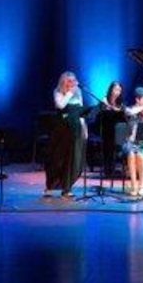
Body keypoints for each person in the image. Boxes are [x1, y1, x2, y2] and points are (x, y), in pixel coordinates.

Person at [45, 71, 92, 199]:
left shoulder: (78, 92)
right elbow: (60, 105)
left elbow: (80, 112)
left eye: (73, 80)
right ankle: (50, 186)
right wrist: (70, 92)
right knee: (58, 159)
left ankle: (67, 188)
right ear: (63, 81)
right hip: (62, 130)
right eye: (69, 81)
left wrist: (84, 128)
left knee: (73, 160)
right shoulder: (58, 91)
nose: (71, 83)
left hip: (76, 129)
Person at [97, 81, 124, 177]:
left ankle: (115, 169)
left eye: (119, 90)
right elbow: (99, 117)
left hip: (118, 131)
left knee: (117, 148)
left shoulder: (120, 103)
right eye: (116, 89)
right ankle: (107, 171)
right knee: (107, 149)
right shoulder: (104, 101)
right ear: (111, 90)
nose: (118, 92)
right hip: (107, 130)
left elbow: (123, 116)